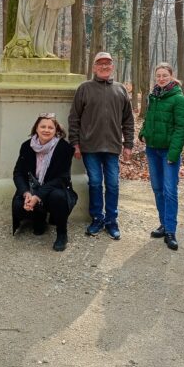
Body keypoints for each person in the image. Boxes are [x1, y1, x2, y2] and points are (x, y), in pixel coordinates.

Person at [68, 51, 134, 240]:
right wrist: (75, 143)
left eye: (108, 63)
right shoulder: (84, 89)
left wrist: (128, 144)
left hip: (112, 147)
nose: (104, 66)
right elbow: (74, 118)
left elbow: (128, 120)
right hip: (90, 147)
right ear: (94, 67)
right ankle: (97, 218)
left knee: (112, 184)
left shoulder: (120, 90)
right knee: (95, 183)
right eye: (100, 63)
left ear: (112, 66)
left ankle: (111, 220)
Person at [138, 63, 184, 250]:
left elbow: (181, 128)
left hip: (168, 152)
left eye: (164, 76)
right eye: (158, 75)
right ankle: (163, 224)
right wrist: (143, 132)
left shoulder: (178, 99)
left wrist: (174, 154)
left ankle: (171, 231)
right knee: (157, 188)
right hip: (152, 149)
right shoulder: (154, 95)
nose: (161, 79)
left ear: (171, 77)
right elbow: (149, 118)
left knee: (170, 191)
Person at [11, 114, 77, 252]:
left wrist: (38, 196)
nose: (46, 130)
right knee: (18, 205)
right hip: (32, 187)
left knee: (57, 197)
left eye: (50, 127)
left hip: (54, 188)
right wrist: (26, 193)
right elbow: (18, 173)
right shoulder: (26, 146)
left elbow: (62, 178)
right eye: (43, 126)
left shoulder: (64, 148)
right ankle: (39, 218)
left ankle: (62, 234)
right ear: (36, 128)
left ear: (56, 131)